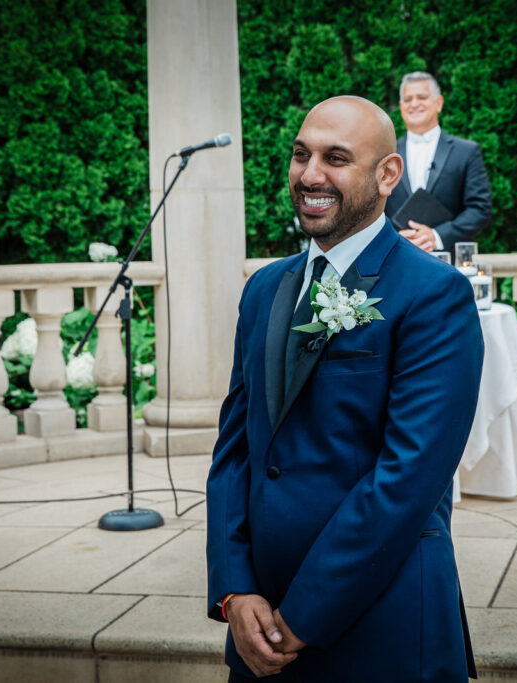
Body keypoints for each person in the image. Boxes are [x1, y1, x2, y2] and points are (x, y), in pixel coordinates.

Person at [206, 95, 485, 682]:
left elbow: (408, 477)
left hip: (382, 622)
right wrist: (235, 589)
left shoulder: (435, 294)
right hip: (258, 625)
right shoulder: (263, 289)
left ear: (387, 174)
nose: (310, 175)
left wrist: (302, 616)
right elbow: (235, 451)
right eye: (300, 155)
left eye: (335, 159)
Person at [386, 71, 492, 257]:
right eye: (408, 99)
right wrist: (392, 238)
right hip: (395, 257)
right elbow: (373, 209)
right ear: (401, 107)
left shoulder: (466, 152)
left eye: (422, 97)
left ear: (439, 103)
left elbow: (479, 208)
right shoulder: (386, 155)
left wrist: (437, 236)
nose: (414, 104)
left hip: (446, 259)